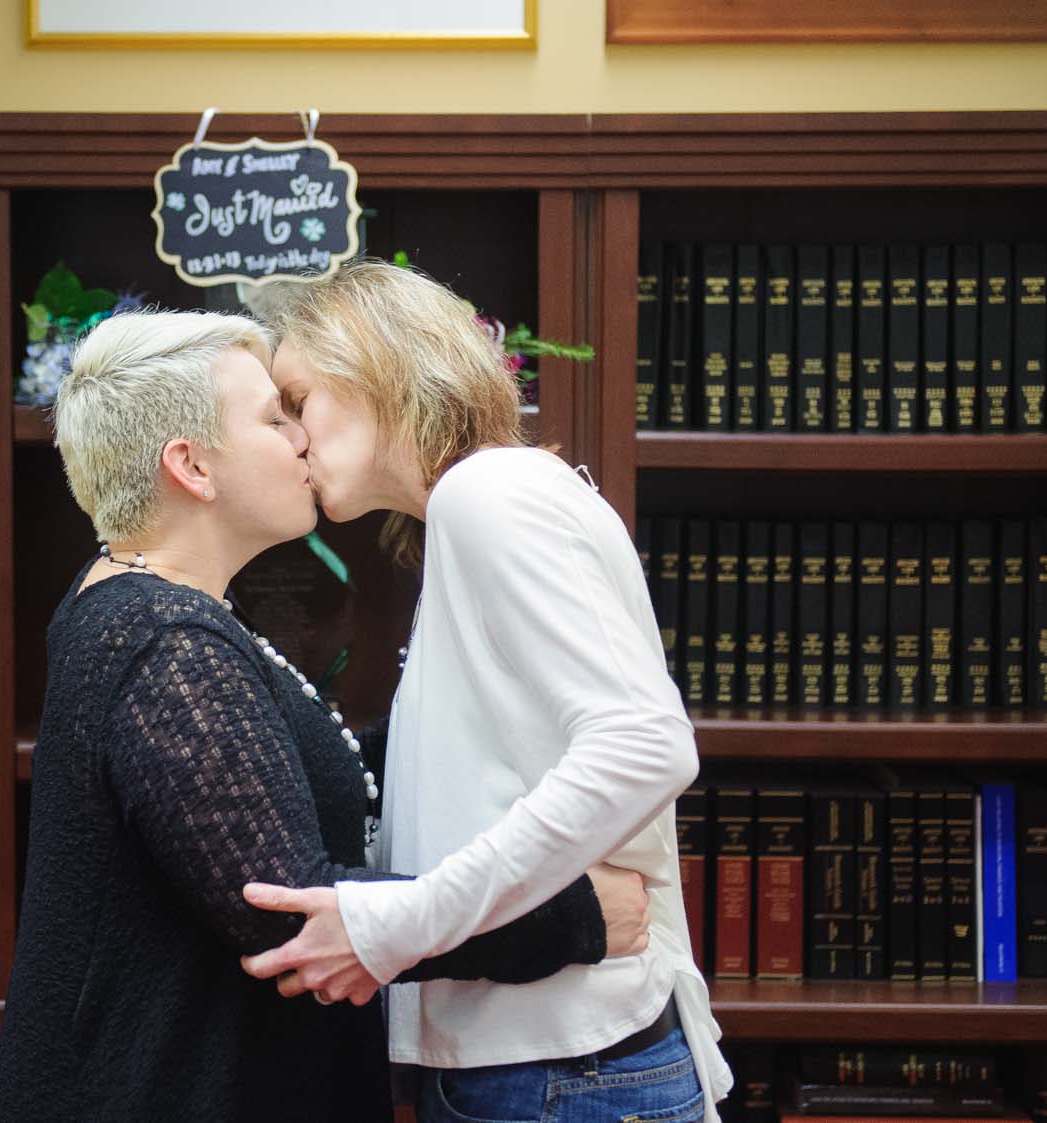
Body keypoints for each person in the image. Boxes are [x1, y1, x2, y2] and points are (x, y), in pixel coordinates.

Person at [0, 309, 651, 1122]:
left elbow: (289, 778)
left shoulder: (157, 610)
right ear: (191, 465)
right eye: (273, 417)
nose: (300, 437)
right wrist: (571, 918)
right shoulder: (164, 644)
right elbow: (289, 911)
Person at [242, 260, 733, 1123]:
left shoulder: (489, 492)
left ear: (370, 364)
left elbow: (645, 744)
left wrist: (396, 924)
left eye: (297, 398)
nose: (292, 438)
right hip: (552, 1069)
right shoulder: (478, 503)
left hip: (564, 1076)